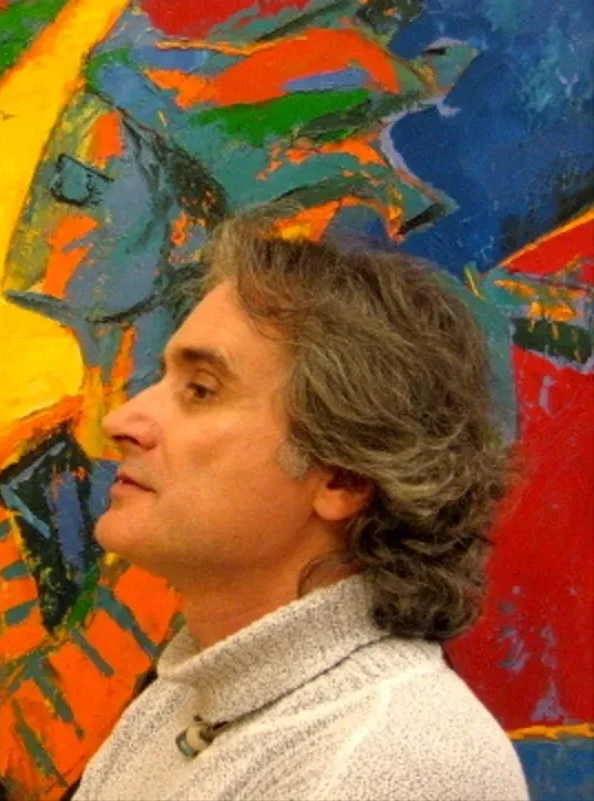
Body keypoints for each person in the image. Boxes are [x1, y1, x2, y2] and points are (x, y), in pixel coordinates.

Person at [73, 217, 529, 801]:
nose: (122, 422)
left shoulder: (386, 761)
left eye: (201, 390)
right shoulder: (189, 698)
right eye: (164, 379)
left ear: (342, 477)